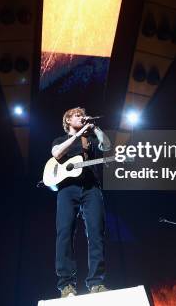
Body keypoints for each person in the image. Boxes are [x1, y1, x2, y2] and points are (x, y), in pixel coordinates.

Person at [50, 107, 112, 298]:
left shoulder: (91, 139)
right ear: (68, 120)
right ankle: (66, 285)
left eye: (82, 114)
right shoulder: (60, 140)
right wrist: (77, 136)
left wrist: (96, 129)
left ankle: (96, 283)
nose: (82, 117)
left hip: (91, 188)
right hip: (68, 189)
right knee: (65, 233)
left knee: (96, 233)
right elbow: (57, 154)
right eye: (77, 115)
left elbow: (107, 146)